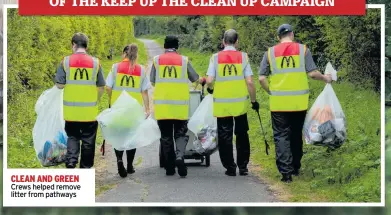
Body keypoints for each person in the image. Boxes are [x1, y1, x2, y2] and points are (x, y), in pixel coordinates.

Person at [258, 24, 332, 183]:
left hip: (278, 102)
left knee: (281, 135)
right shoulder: (303, 50)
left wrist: (269, 90)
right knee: (296, 133)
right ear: (291, 34)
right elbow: (312, 73)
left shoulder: (270, 52)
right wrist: (325, 78)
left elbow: (261, 78)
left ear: (278, 37)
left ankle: (285, 173)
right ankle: (296, 166)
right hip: (299, 102)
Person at [205, 29, 259, 177]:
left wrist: (211, 89)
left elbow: (209, 80)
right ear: (237, 42)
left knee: (224, 136)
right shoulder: (243, 57)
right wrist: (253, 101)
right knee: (242, 134)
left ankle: (230, 167)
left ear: (223, 42)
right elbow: (250, 82)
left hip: (222, 105)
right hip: (240, 104)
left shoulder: (215, 58)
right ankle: (243, 167)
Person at [150, 35, 202, 177]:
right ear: (177, 47)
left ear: (165, 46)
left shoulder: (156, 60)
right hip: (180, 106)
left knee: (166, 137)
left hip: (163, 107)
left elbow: (152, 81)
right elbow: (195, 79)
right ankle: (180, 156)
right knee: (180, 134)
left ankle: (170, 168)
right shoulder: (184, 60)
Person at [55, 32, 105, 168]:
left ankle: (71, 161)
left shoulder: (65, 62)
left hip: (71, 112)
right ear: (86, 46)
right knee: (88, 141)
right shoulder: (96, 63)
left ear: (73, 45)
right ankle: (85, 169)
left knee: (72, 137)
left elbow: (59, 85)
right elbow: (101, 86)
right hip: (89, 112)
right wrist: (97, 99)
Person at [105, 44, 151, 178]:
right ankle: (130, 166)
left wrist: (112, 99)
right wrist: (147, 109)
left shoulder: (115, 67)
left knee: (118, 136)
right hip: (134, 110)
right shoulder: (141, 69)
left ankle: (119, 160)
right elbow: (144, 91)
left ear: (124, 54)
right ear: (136, 55)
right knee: (132, 137)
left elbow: (108, 87)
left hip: (118, 108)